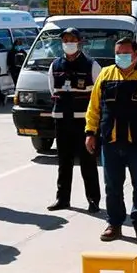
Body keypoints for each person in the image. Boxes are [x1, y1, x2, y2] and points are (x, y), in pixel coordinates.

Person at [85, 37, 137, 242]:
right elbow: (94, 107)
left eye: (125, 53)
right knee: (112, 186)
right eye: (118, 53)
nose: (121, 57)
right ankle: (114, 224)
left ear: (136, 54)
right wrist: (90, 132)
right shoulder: (106, 74)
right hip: (111, 142)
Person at [47, 28, 101, 212]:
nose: (68, 43)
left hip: (84, 122)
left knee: (88, 162)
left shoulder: (92, 65)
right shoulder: (55, 65)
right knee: (64, 161)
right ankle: (62, 199)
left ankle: (93, 200)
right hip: (62, 120)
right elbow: (53, 91)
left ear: (79, 42)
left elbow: (99, 95)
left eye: (72, 39)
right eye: (65, 40)